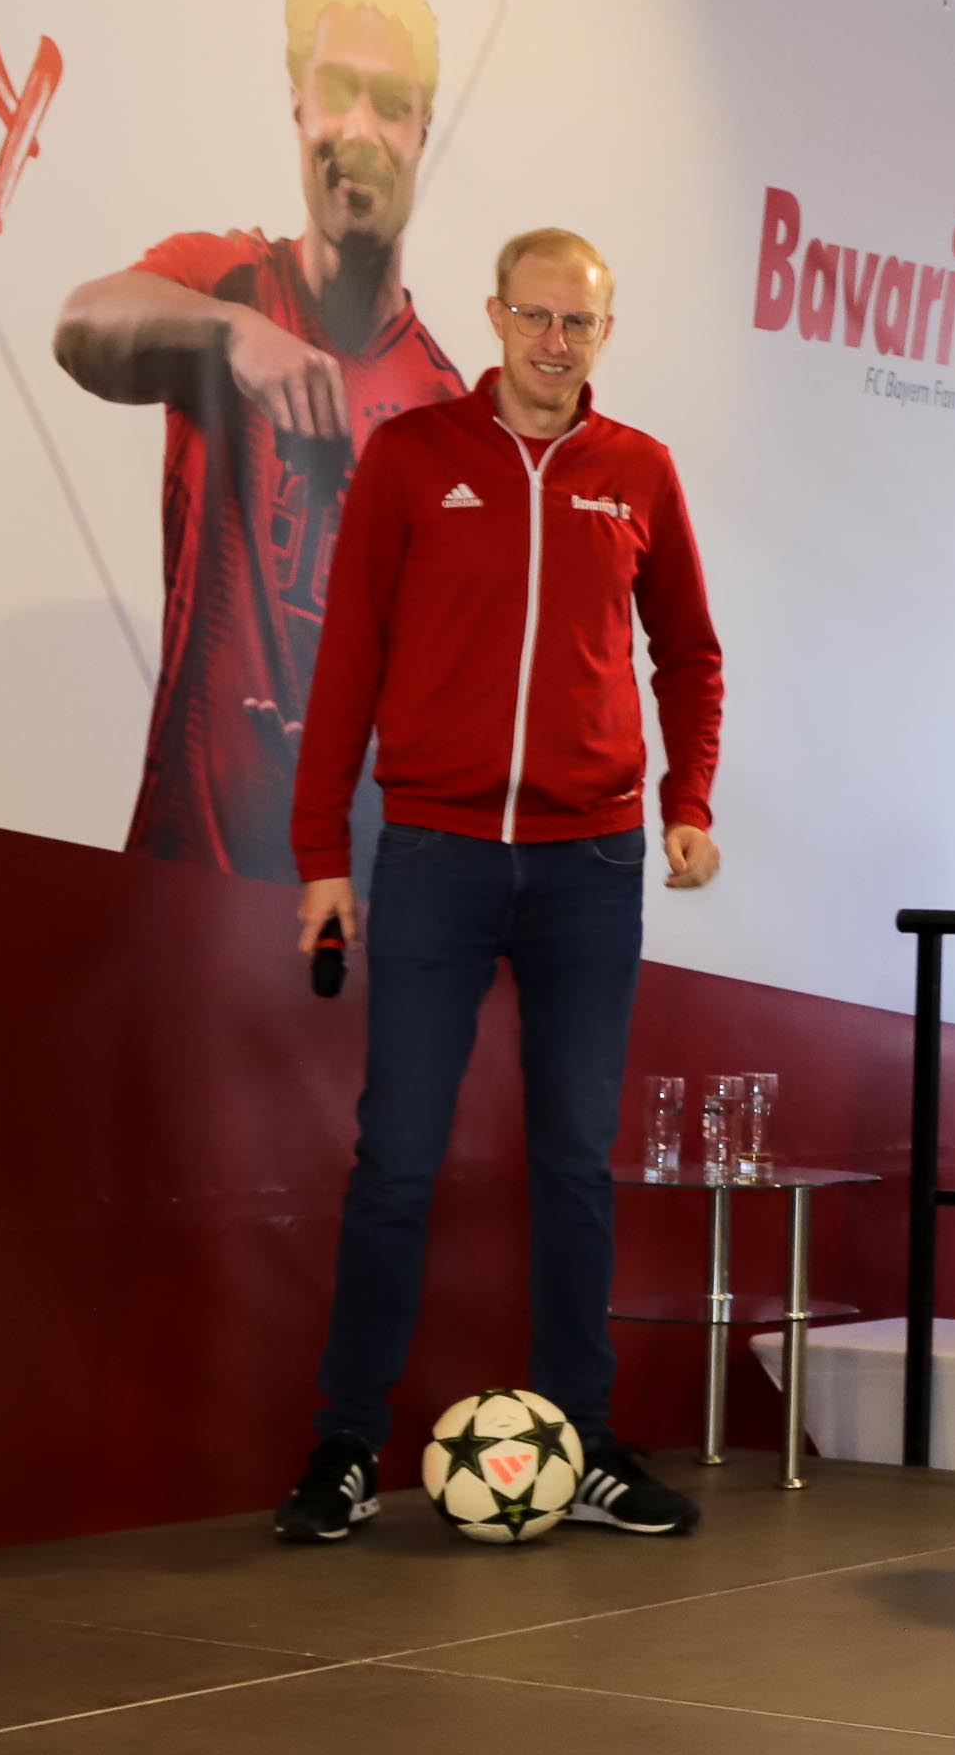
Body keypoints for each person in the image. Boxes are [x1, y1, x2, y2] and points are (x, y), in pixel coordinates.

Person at [272, 230, 724, 1544]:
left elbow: (690, 655)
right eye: (535, 317)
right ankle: (345, 1444)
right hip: (436, 854)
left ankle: (585, 1438)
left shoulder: (639, 470)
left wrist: (687, 803)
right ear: (494, 316)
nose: (553, 342)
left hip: (593, 863)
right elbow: (347, 662)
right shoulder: (414, 459)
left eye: (577, 323)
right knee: (397, 1160)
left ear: (603, 333)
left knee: (575, 1161)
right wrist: (320, 857)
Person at [52, 0, 465, 881]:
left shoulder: (449, 416)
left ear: (422, 129)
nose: (360, 129)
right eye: (338, 91)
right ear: (297, 104)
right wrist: (234, 337)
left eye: (390, 103)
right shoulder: (227, 283)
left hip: (351, 911)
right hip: (180, 894)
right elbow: (81, 326)